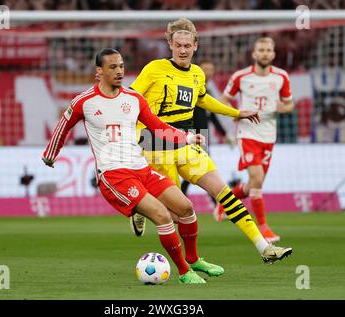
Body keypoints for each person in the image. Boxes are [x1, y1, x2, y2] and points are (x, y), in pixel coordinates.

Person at [42, 48, 225, 284]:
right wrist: (51, 154)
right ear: (99, 72)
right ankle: (183, 272)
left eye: (121, 66)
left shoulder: (134, 99)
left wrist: (186, 138)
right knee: (162, 216)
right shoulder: (84, 102)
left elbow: (157, 126)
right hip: (114, 174)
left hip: (141, 169)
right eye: (112, 67)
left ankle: (194, 259)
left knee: (186, 208)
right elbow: (63, 126)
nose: (119, 71)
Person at [129, 18, 292, 264]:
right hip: (156, 143)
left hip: (188, 143)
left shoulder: (197, 74)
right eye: (178, 45)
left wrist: (237, 112)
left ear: (196, 45)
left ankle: (264, 247)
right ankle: (140, 207)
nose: (182, 50)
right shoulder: (154, 69)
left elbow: (204, 100)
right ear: (170, 45)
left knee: (223, 193)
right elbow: (131, 98)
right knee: (176, 213)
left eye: (187, 45)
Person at [216, 37, 295, 242]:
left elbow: (289, 104)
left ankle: (224, 202)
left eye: (268, 50)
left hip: (269, 135)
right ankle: (263, 229)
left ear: (273, 54)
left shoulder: (281, 77)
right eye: (261, 50)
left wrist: (281, 108)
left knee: (253, 185)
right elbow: (223, 100)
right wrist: (236, 113)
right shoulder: (241, 77)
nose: (265, 53)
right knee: (258, 179)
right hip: (247, 133)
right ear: (254, 54)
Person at [180, 59, 235, 206]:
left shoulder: (206, 91)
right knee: (202, 170)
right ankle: (217, 204)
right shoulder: (188, 88)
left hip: (202, 136)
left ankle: (179, 200)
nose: (207, 72)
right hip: (190, 136)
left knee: (198, 170)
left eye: (210, 69)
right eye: (204, 69)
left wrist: (224, 134)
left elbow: (211, 116)